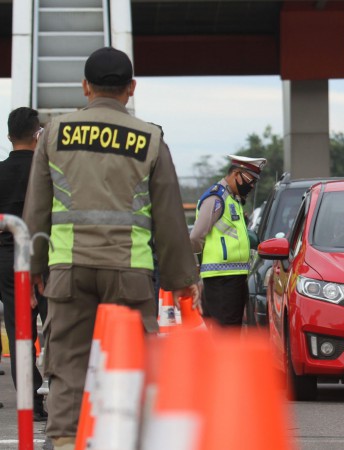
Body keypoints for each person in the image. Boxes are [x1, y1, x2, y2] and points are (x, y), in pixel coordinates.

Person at [23, 47, 201, 450]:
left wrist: (33, 266)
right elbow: (169, 218)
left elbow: (37, 208)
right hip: (129, 273)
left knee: (68, 366)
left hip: (68, 269)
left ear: (85, 87)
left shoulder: (54, 133)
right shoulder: (151, 138)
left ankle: (67, 442)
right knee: (130, 367)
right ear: (130, 88)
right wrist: (182, 280)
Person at [0, 107, 49, 421]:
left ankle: (30, 404)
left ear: (8, 136)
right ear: (38, 135)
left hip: (6, 260)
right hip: (46, 256)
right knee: (58, 329)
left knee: (20, 331)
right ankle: (61, 396)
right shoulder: (49, 171)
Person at [190, 155, 266, 327]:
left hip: (234, 278)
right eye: (250, 180)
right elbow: (195, 237)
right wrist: (196, 265)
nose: (252, 185)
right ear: (236, 174)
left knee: (231, 330)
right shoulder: (216, 198)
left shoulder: (233, 199)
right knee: (226, 333)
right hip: (220, 280)